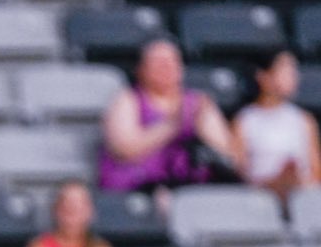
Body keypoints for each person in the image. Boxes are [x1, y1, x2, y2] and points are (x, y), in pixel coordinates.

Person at [100, 38, 235, 193]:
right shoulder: (128, 99)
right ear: (141, 69)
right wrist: (172, 125)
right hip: (138, 187)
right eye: (157, 62)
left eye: (171, 61)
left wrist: (204, 131)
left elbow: (226, 153)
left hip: (191, 186)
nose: (165, 66)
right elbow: (123, 148)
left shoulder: (199, 102)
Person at [232, 50, 321, 202]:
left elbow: (316, 172)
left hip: (302, 198)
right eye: (285, 70)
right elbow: (238, 171)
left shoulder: (304, 120)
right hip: (260, 200)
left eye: (294, 70)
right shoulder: (245, 120)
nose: (294, 76)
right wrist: (275, 182)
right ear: (263, 77)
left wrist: (295, 180)